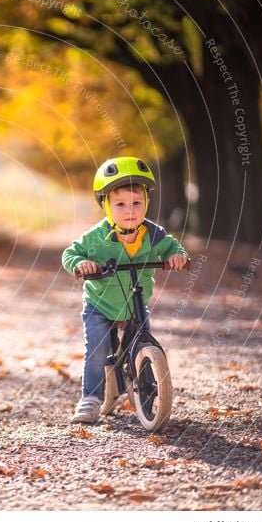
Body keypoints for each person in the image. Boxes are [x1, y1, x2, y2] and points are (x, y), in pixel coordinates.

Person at [62, 156, 189, 424]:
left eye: (136, 203)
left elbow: (174, 248)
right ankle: (91, 398)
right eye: (120, 204)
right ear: (106, 205)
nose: (129, 210)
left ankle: (143, 385)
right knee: (97, 349)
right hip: (100, 303)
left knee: (143, 340)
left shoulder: (154, 235)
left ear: (147, 203)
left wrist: (178, 256)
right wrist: (81, 263)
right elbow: (71, 253)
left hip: (134, 304)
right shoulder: (97, 237)